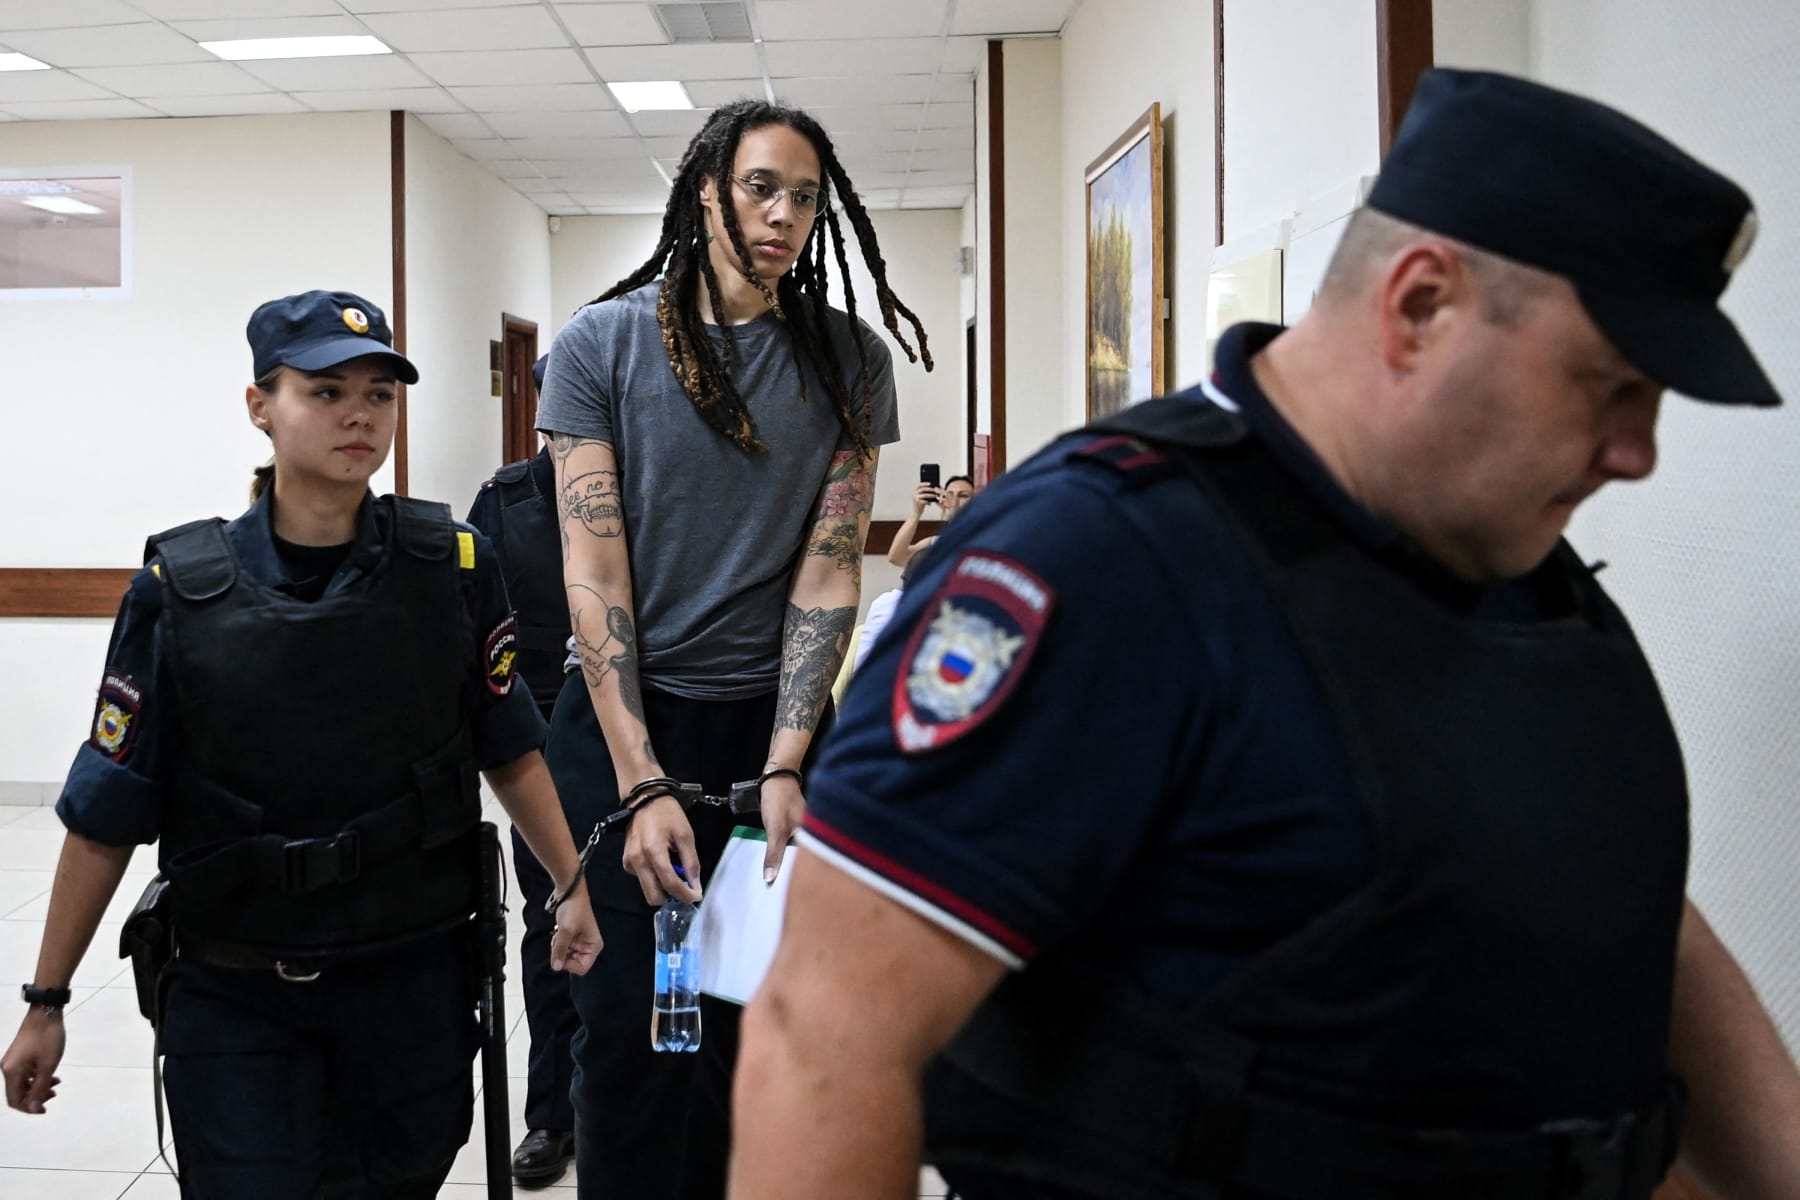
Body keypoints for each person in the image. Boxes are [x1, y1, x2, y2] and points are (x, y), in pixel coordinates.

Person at [731, 69, 1800, 1200]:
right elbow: (823, 1042)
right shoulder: (1098, 563)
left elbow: (1619, 905)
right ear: (1420, 307)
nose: (1638, 451)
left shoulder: (1518, 566)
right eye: (1607, 384)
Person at [0, 290, 602, 1198]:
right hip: (238, 990)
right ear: (260, 406)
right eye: (325, 391)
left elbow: (510, 749)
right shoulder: (178, 592)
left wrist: (571, 886)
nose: (360, 414)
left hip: (409, 985)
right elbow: (106, 813)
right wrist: (46, 1001)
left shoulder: (452, 567)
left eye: (380, 394)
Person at [535, 97, 931, 1200]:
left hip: (773, 730)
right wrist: (642, 779)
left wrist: (787, 761)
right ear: (708, 191)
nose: (784, 215)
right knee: (632, 1037)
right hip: (626, 725)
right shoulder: (599, 345)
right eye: (762, 187)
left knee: (755, 1030)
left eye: (805, 196)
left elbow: (830, 567)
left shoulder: (850, 360)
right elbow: (595, 574)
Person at [464, 355, 581, 1187]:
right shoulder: (504, 502)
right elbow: (476, 638)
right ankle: (554, 1117)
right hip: (542, 751)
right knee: (551, 931)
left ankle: (634, 1102)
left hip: (643, 739)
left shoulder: (646, 488)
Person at [886, 473, 975, 569]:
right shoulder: (935, 542)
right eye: (950, 495)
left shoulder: (982, 536)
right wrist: (917, 513)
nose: (954, 500)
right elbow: (896, 558)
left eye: (963, 495)